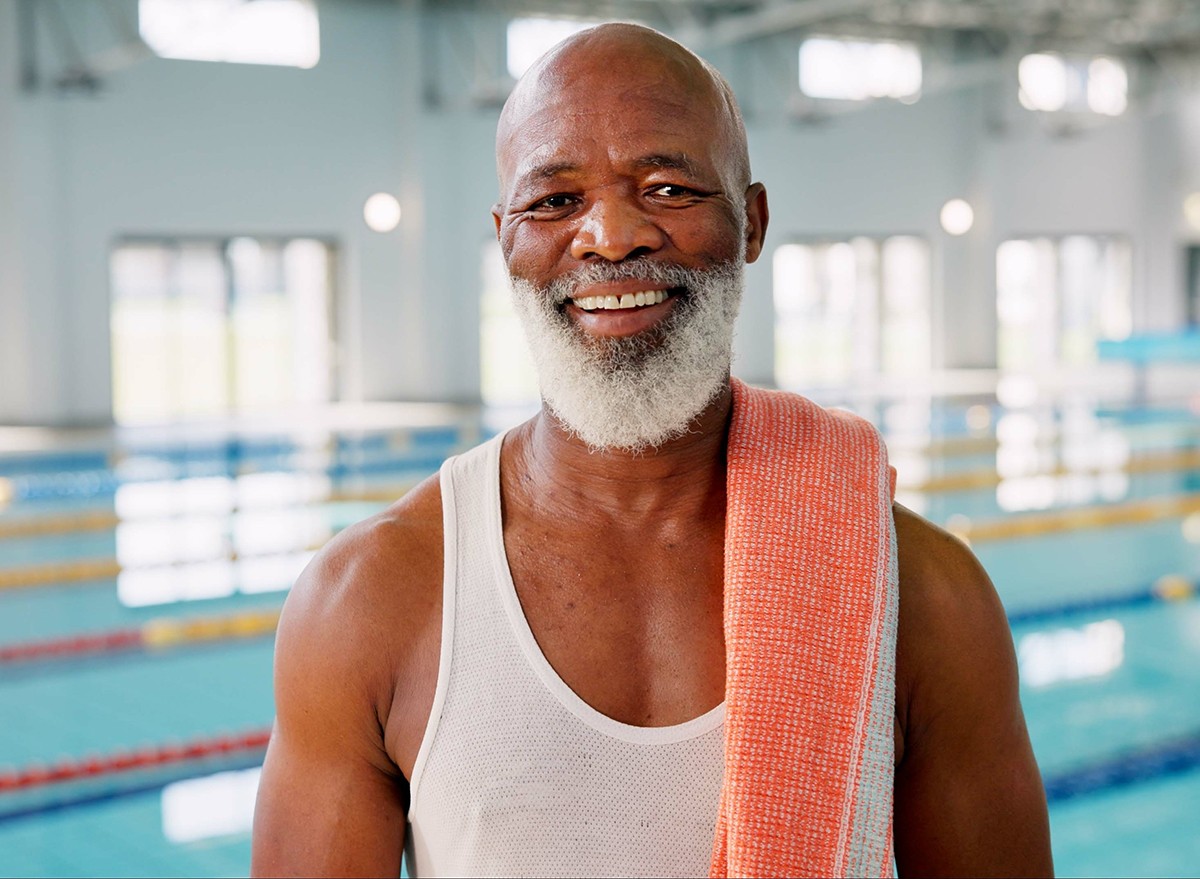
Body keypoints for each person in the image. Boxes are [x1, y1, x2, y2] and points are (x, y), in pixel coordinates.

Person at [251, 22, 1053, 878]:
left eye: (668, 187)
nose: (609, 236)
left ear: (751, 221)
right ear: (504, 240)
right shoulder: (366, 603)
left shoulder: (921, 598)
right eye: (554, 201)